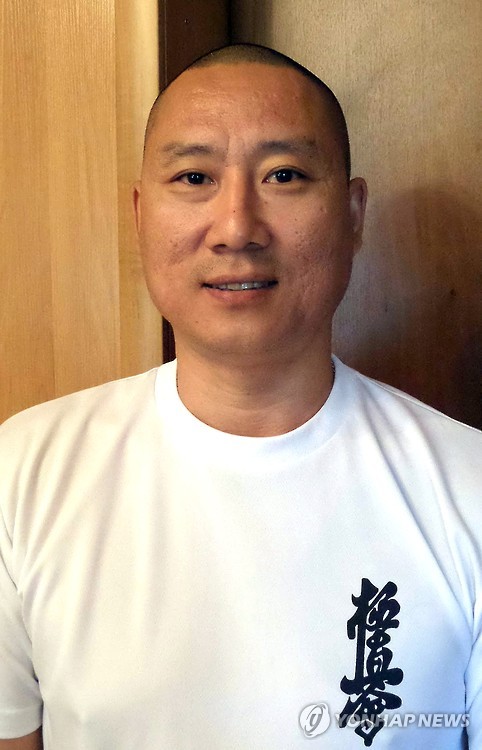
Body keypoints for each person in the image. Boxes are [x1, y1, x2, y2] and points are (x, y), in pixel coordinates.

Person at [0, 43, 480, 750]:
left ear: (353, 214)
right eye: (194, 177)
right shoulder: (23, 471)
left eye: (284, 175)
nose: (236, 228)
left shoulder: (467, 485)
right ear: (141, 214)